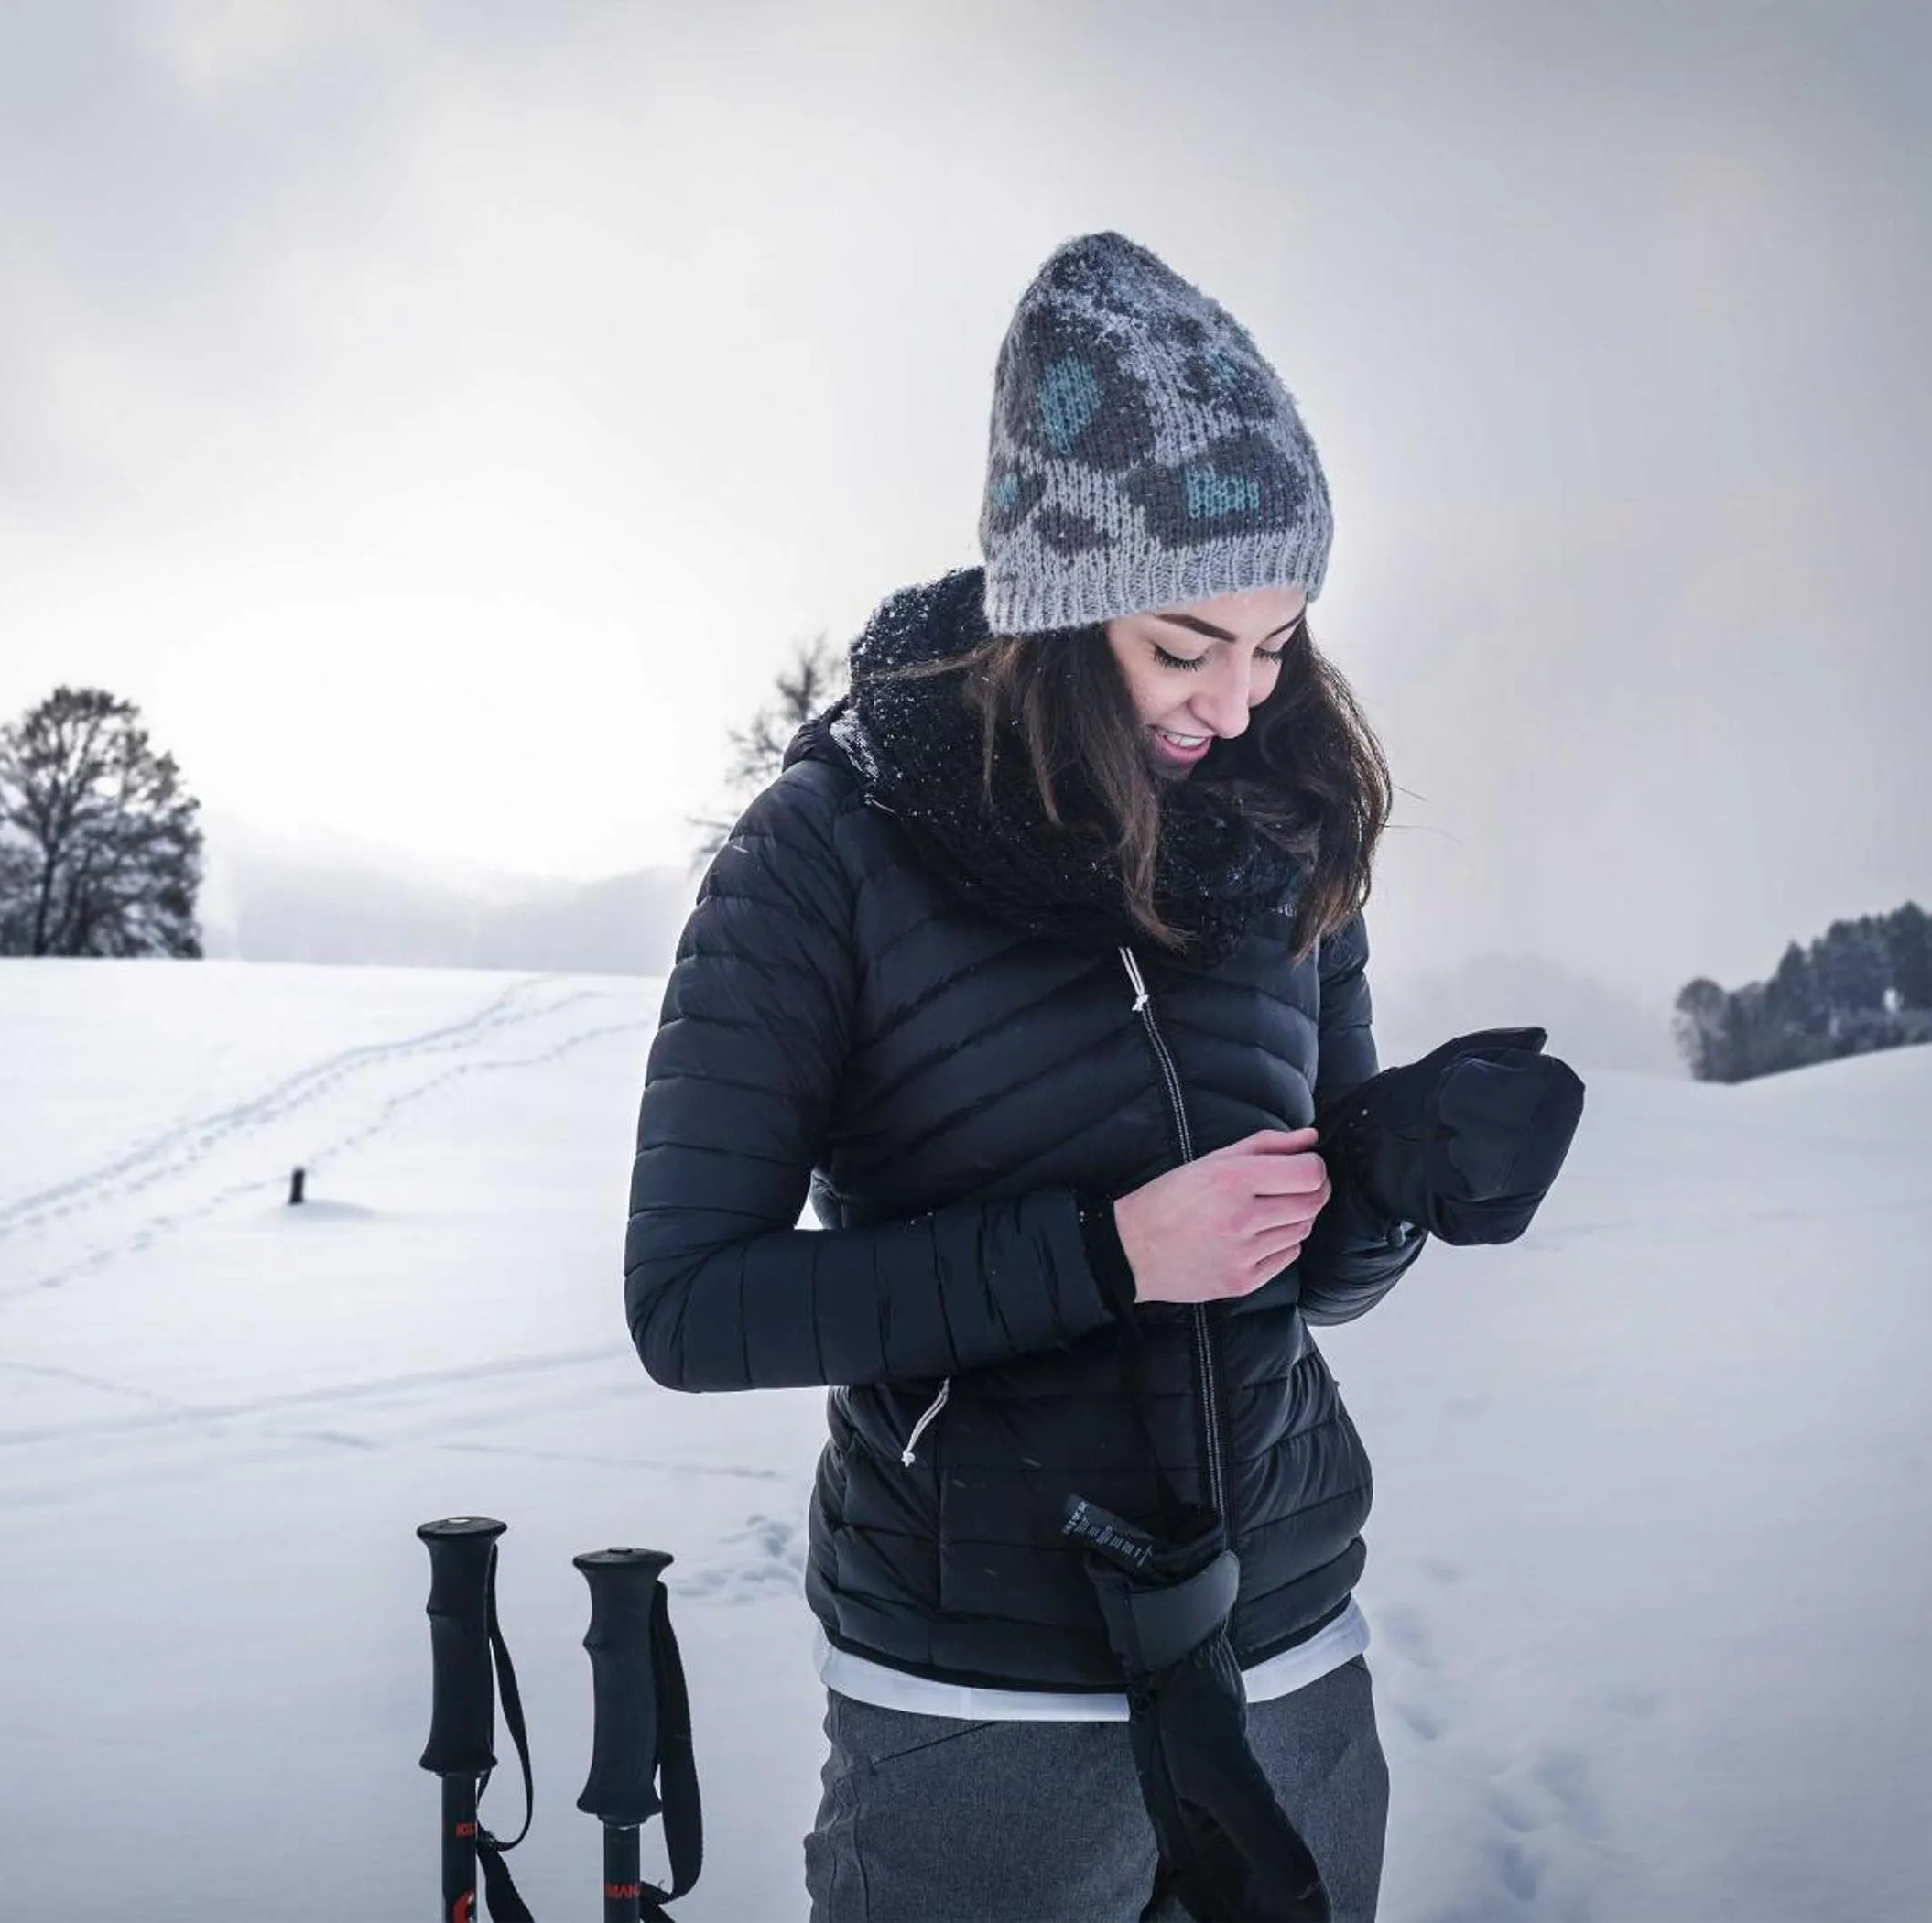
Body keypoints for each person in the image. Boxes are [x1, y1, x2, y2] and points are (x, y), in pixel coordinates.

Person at [623, 233, 1576, 1921]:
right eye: (1185, 645)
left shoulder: (1282, 822)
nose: (1241, 700)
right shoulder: (826, 853)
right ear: (1058, 611)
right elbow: (691, 1307)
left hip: (1288, 1656)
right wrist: (1106, 1256)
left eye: (1279, 641)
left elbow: (1314, 1281)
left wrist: (1396, 1173)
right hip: (984, 1701)